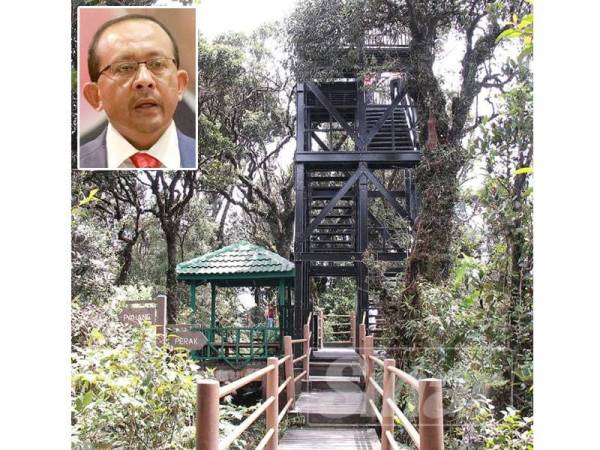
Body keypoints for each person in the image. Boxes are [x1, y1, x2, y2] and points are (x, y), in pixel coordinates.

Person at [80, 14, 196, 169]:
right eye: (125, 67)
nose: (144, 80)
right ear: (95, 96)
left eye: (157, 64)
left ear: (180, 85)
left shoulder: (213, 158)